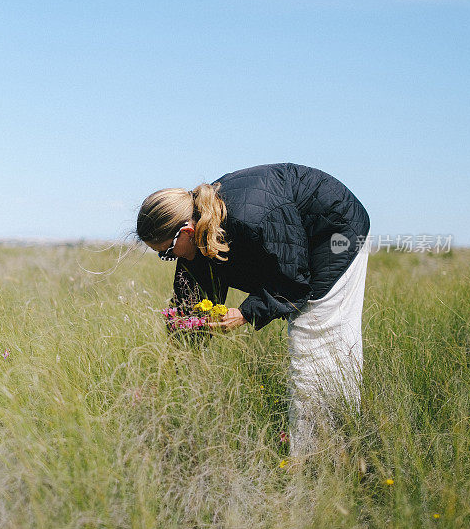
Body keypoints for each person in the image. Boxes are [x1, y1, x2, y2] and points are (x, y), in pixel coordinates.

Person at [136, 162, 371, 458]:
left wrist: (246, 313)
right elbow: (190, 309)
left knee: (314, 344)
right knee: (308, 347)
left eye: (167, 253)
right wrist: (167, 375)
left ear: (185, 231)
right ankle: (318, 450)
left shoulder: (253, 218)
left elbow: (294, 282)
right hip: (295, 236)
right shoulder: (201, 223)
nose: (169, 260)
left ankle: (323, 458)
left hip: (335, 233)